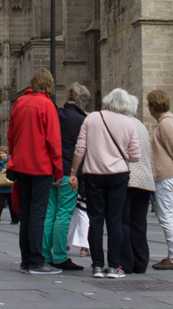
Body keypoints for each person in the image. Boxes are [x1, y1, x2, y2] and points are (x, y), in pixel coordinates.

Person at [70, 87, 140, 280]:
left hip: (93, 174)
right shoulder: (128, 123)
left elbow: (80, 147)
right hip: (118, 175)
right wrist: (119, 156)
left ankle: (97, 266)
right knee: (115, 221)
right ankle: (114, 267)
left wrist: (73, 172)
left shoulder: (91, 118)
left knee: (95, 220)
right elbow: (135, 155)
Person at [5, 67, 62, 275]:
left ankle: (26, 259)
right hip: (41, 166)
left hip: (21, 166)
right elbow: (54, 141)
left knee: (27, 213)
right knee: (38, 213)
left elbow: (10, 136)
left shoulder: (19, 103)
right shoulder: (47, 105)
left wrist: (15, 156)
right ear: (48, 84)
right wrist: (58, 171)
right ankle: (37, 260)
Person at [44, 82, 89, 272]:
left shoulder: (57, 115)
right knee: (64, 214)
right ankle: (61, 256)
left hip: (52, 171)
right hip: (70, 173)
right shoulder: (82, 120)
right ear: (83, 101)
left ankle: (45, 254)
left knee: (49, 214)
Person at [147, 89, 173, 271]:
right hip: (170, 174)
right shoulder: (170, 121)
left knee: (167, 216)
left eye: (149, 105)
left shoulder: (166, 124)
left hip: (166, 174)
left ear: (154, 106)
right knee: (169, 215)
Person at [117, 91, 154, 275]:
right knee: (139, 223)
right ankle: (141, 261)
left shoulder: (123, 124)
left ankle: (126, 262)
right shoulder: (140, 124)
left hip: (129, 178)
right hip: (146, 180)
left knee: (123, 222)